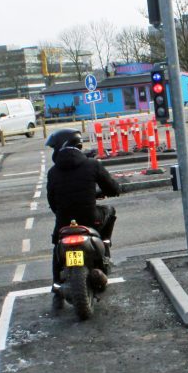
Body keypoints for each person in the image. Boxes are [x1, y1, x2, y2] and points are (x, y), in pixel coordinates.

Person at [44, 128, 121, 306]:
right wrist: (113, 190)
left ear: (61, 147)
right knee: (110, 211)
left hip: (64, 223)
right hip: (91, 219)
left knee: (57, 248)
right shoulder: (92, 164)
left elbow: (52, 201)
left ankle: (56, 290)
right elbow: (112, 188)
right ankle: (105, 249)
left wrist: (63, 214)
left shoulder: (53, 172)